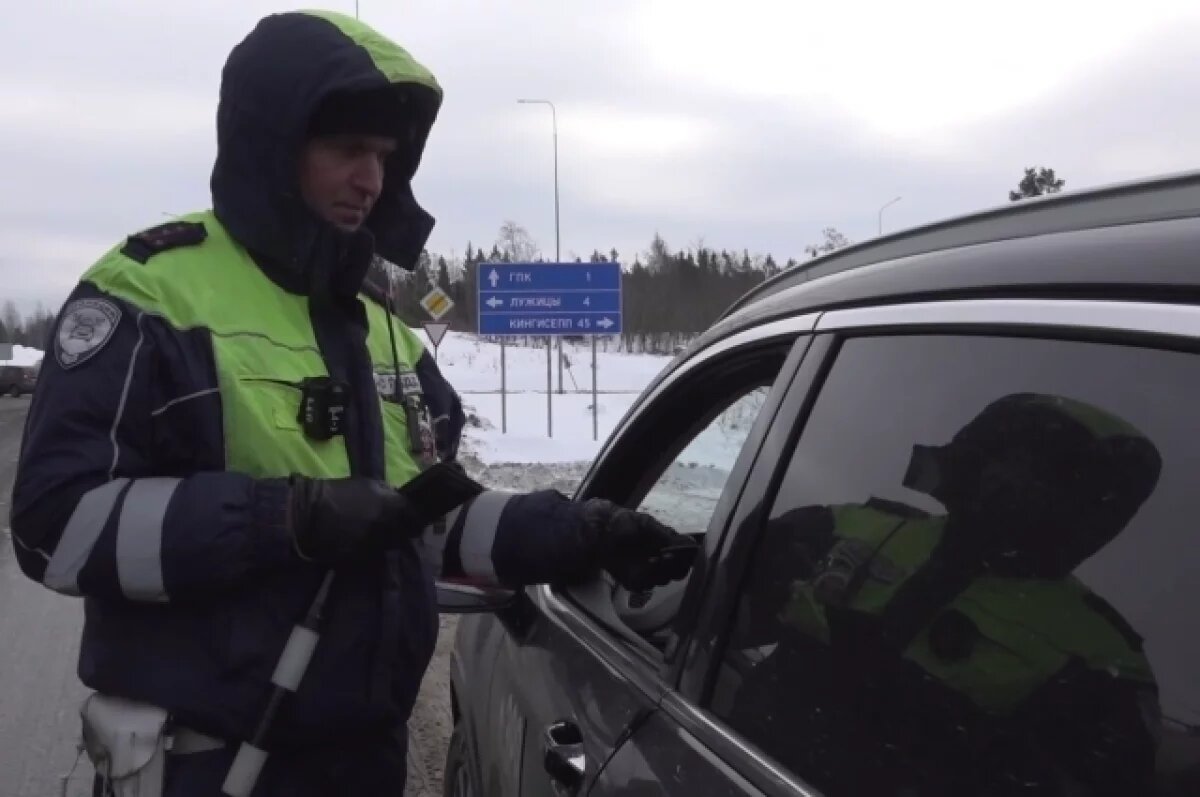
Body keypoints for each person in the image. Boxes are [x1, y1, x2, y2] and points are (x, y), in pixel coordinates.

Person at [9, 10, 695, 796]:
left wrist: (583, 531)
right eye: (347, 151)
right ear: (275, 144)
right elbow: (52, 525)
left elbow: (426, 523)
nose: (371, 180)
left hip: (364, 761)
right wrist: (281, 519)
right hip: (201, 764)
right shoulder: (147, 296)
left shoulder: (388, 335)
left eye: (383, 156)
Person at [727, 392, 1163, 796]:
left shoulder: (1101, 658)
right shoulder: (852, 528)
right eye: (1007, 456)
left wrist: (940, 731)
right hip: (734, 768)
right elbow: (717, 595)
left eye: (1049, 474)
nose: (1008, 481)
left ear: (1094, 508)